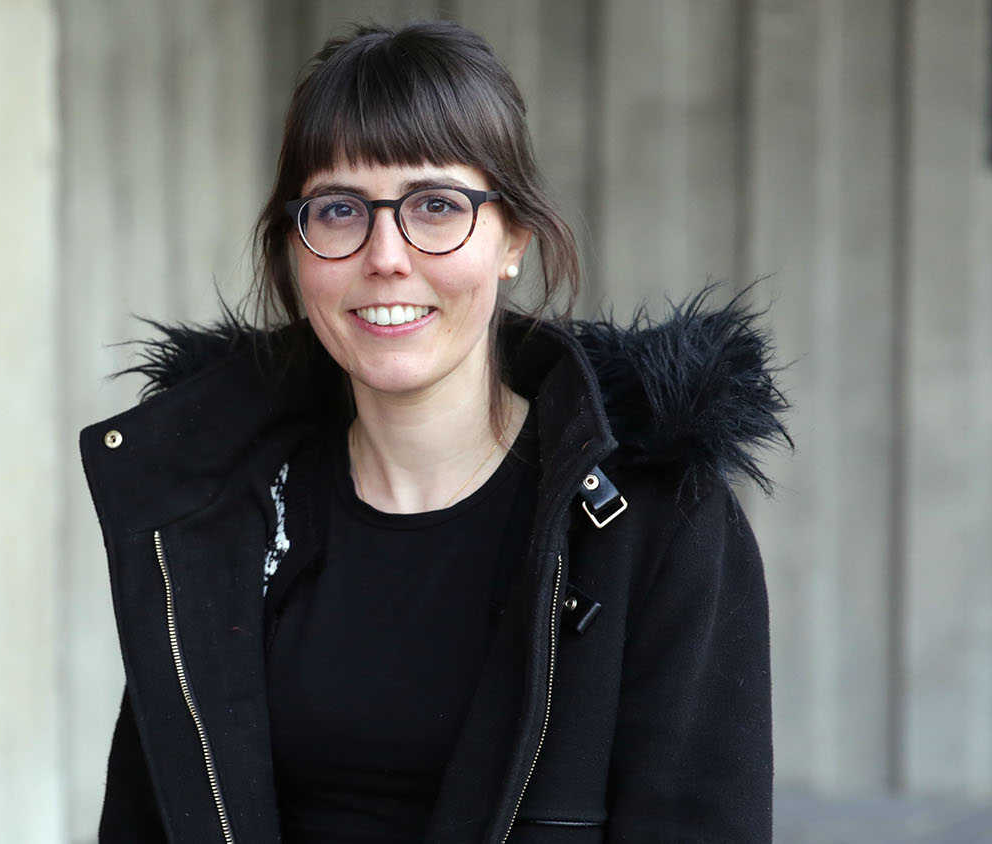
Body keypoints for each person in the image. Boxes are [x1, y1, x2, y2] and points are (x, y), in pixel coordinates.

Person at [79, 20, 786, 844]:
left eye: (436, 205)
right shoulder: (210, 514)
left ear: (512, 238)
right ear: (296, 251)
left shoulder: (657, 524)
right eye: (339, 209)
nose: (385, 254)